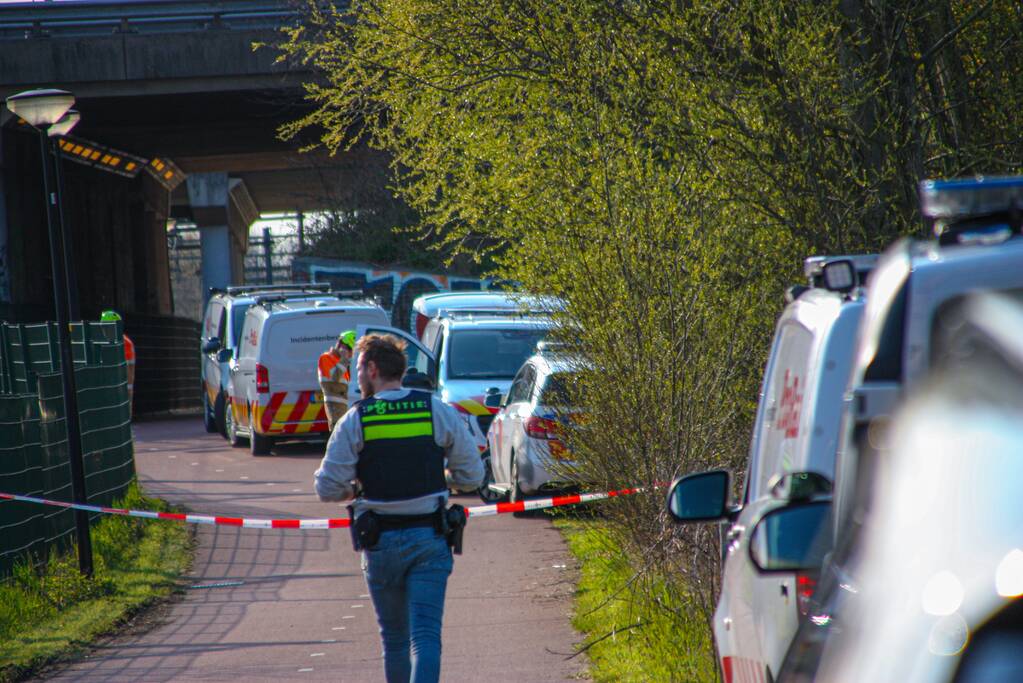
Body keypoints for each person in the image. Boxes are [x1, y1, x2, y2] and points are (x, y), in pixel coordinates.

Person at [314, 333, 483, 683]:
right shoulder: (434, 408)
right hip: (430, 538)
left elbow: (326, 487)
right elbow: (472, 476)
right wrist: (440, 477)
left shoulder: (357, 418)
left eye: (358, 368)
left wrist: (355, 489)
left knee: (394, 641)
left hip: (381, 541)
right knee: (425, 637)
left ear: (373, 369)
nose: (355, 377)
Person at [318, 330, 356, 431]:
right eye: (350, 349)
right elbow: (334, 378)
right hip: (335, 411)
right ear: (342, 346)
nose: (352, 353)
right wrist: (344, 360)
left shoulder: (342, 362)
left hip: (344, 410)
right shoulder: (325, 358)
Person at [100, 310, 134, 413]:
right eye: (103, 327)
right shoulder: (105, 341)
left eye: (107, 327)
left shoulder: (125, 343)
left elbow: (127, 368)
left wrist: (126, 390)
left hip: (122, 387)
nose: (104, 330)